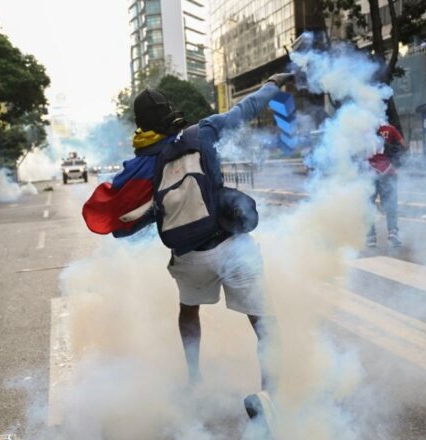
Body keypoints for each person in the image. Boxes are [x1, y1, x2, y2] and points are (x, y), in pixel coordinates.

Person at [82, 73, 295, 410]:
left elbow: (123, 220)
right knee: (265, 322)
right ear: (171, 111)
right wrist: (272, 83)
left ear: (141, 124)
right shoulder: (203, 131)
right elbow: (248, 107)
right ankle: (271, 398)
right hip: (231, 245)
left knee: (188, 311)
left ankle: (194, 378)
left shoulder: (141, 163)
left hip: (189, 256)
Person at [366, 123, 407, 248]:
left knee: (368, 205)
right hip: (388, 171)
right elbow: (403, 145)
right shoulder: (390, 128)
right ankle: (393, 232)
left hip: (368, 172)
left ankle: (371, 237)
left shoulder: (361, 129)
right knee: (391, 203)